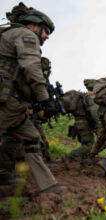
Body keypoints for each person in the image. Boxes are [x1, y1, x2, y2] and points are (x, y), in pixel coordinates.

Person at [0, 4, 66, 194]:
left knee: (32, 137)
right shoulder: (25, 35)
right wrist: (45, 99)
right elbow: (31, 67)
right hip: (6, 102)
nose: (46, 36)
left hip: (12, 104)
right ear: (33, 25)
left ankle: (47, 186)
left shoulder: (10, 34)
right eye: (46, 31)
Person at [61, 79, 99, 169]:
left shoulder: (82, 97)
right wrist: (98, 125)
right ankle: (68, 156)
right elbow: (94, 113)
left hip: (78, 123)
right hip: (84, 124)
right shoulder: (90, 97)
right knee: (89, 144)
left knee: (85, 144)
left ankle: (84, 165)